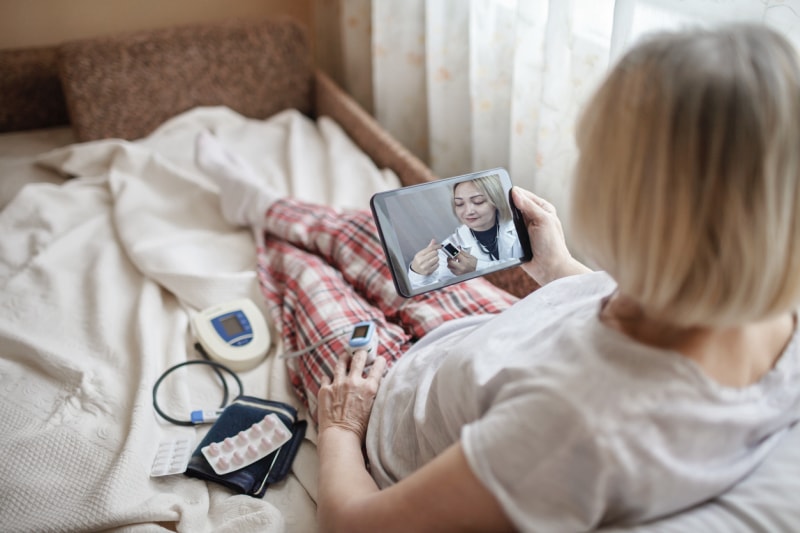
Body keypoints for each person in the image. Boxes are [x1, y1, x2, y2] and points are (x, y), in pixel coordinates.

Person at [195, 23, 800, 532]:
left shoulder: (574, 427)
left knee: (304, 273)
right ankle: (265, 205)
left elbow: (356, 525)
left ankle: (264, 227)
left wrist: (340, 427)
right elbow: (635, 321)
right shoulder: (764, 311)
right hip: (490, 341)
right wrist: (560, 270)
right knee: (366, 236)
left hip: (385, 409)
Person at [408, 174, 523, 288]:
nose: (468, 211)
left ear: (496, 201)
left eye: (478, 201)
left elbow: (526, 268)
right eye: (459, 204)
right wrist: (417, 274)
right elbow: (435, 293)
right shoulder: (450, 248)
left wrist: (477, 268)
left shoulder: (519, 227)